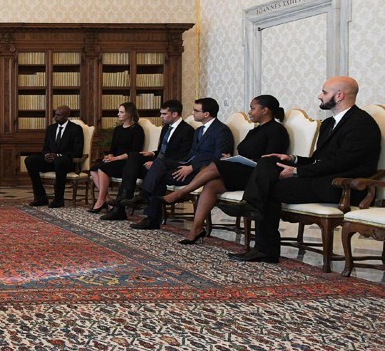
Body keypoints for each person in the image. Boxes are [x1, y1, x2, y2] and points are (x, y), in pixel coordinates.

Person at [220, 77, 381, 263]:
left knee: (270, 190)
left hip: (342, 185)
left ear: (339, 95)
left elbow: (342, 163)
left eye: (324, 92)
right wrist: (293, 159)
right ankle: (251, 204)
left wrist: (297, 171)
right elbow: (318, 160)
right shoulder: (329, 123)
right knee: (269, 161)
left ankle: (264, 246)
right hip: (320, 178)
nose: (319, 96)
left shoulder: (361, 124)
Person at [162, 95, 289, 244]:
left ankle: (182, 192)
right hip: (244, 170)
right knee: (211, 185)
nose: (249, 112)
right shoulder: (254, 131)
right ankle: (195, 229)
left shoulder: (277, 130)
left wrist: (247, 160)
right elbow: (245, 151)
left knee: (216, 164)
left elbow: (271, 158)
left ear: (265, 110)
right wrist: (232, 157)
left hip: (259, 175)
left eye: (252, 108)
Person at [122, 98, 234, 230]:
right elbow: (191, 154)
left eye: (196, 110)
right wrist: (182, 164)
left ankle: (147, 205)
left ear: (206, 114)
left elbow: (219, 158)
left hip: (202, 173)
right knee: (159, 167)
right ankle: (149, 212)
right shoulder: (199, 131)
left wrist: (191, 167)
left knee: (159, 175)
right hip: (189, 165)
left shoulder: (221, 131)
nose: (192, 113)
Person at [100, 99, 194, 222]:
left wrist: (156, 163)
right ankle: (124, 201)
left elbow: (182, 156)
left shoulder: (187, 130)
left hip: (169, 165)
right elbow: (162, 150)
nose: (161, 116)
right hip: (159, 161)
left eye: (164, 114)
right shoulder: (166, 128)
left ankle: (121, 205)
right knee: (134, 156)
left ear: (174, 114)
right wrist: (152, 153)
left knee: (134, 163)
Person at [88, 102, 145, 213]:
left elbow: (135, 151)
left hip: (128, 163)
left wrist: (116, 158)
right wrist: (109, 156)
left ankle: (100, 201)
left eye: (121, 112)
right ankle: (108, 200)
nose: (118, 114)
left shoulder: (137, 130)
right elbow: (112, 149)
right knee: (93, 169)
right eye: (118, 111)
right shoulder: (118, 129)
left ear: (129, 114)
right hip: (115, 160)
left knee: (102, 168)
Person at [25, 106, 84, 208]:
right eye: (55, 114)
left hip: (67, 163)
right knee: (30, 160)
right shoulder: (51, 129)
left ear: (66, 116)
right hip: (51, 162)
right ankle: (41, 197)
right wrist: (47, 155)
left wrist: (58, 155)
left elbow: (77, 152)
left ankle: (58, 199)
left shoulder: (75, 129)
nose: (55, 117)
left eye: (58, 115)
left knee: (59, 161)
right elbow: (45, 148)